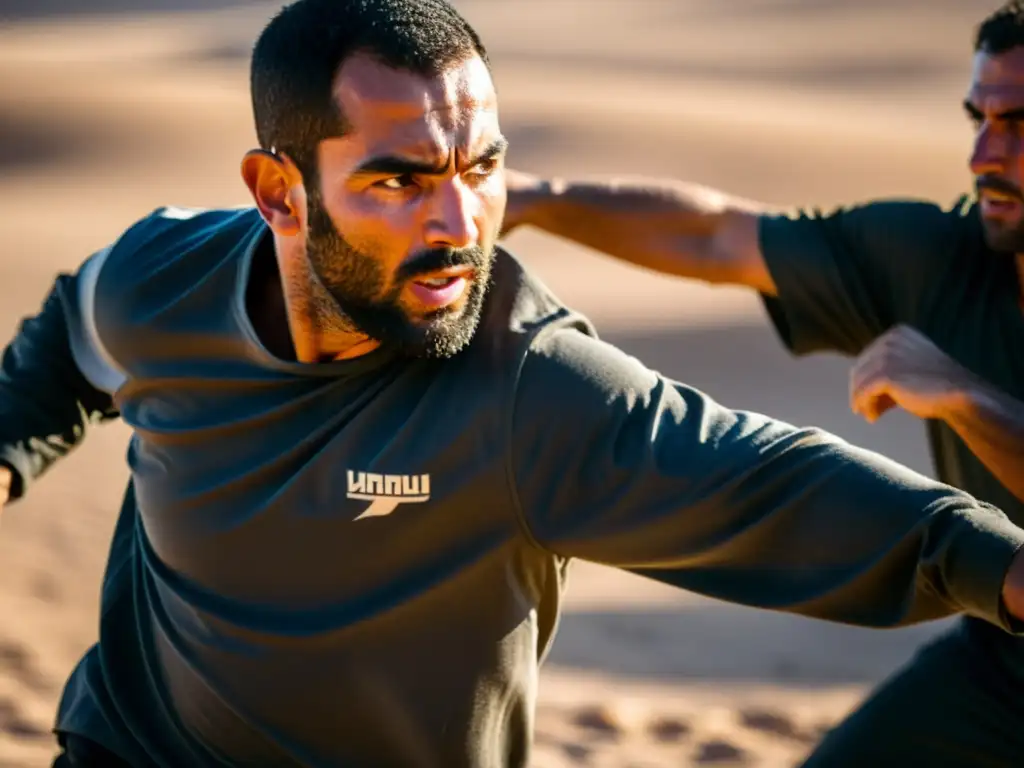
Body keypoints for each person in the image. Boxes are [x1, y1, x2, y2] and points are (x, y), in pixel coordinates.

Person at [5, 1, 1024, 766]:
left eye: (480, 168)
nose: (457, 228)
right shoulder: (156, 278)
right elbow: (61, 350)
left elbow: (768, 480)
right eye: (398, 180)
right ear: (280, 191)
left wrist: (1000, 568)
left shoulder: (526, 386)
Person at [499, 2, 1024, 766]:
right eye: (978, 117)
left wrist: (972, 401)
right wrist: (537, 198)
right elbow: (715, 234)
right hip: (1004, 663)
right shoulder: (940, 257)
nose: (983, 152)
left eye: (1018, 124)